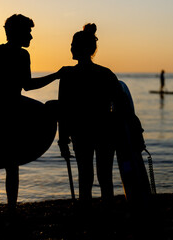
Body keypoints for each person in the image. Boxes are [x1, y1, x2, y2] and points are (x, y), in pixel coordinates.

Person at [0, 14, 60, 215]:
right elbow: (28, 86)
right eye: (28, 32)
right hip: (11, 117)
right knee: (11, 165)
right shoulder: (21, 56)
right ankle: (10, 210)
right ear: (17, 33)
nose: (31, 37)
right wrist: (55, 76)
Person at [57, 23, 123, 204]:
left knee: (85, 175)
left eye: (72, 45)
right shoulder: (106, 73)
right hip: (104, 129)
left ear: (81, 48)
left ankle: (86, 211)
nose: (70, 48)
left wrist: (63, 138)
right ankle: (106, 211)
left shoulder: (68, 75)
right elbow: (120, 104)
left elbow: (63, 110)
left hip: (81, 131)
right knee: (104, 175)